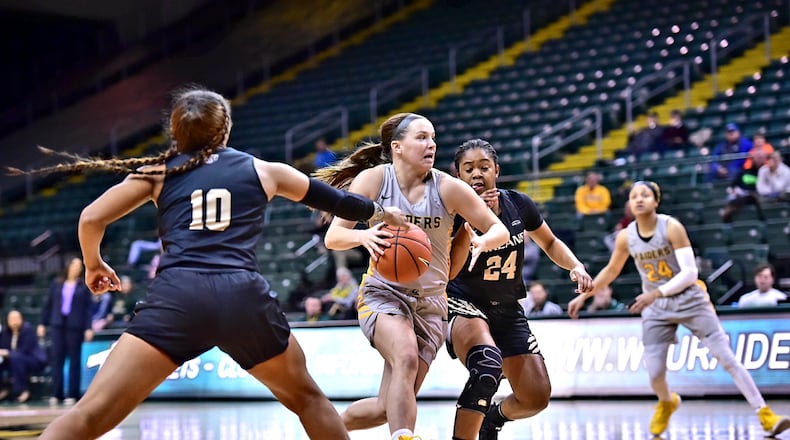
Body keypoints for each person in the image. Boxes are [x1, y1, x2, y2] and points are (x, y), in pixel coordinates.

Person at [10, 86, 407, 440]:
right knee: (309, 401)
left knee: (89, 415)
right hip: (241, 298)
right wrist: (381, 212)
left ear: (175, 133)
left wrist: (94, 265)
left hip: (178, 298)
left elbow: (90, 218)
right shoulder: (264, 170)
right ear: (225, 129)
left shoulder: (159, 172)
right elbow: (340, 202)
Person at [316, 113, 510, 440]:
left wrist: (482, 241)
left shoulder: (449, 188)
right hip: (383, 293)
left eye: (433, 138)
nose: (431, 144)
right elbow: (333, 237)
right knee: (405, 356)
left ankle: (323, 429)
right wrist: (364, 235)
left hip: (431, 304)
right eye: (421, 137)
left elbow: (498, 229)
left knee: (386, 406)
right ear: (398, 147)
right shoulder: (374, 181)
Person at [567, 180, 790, 437]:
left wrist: (655, 293)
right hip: (657, 306)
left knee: (727, 358)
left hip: (689, 299)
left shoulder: (671, 227)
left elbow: (690, 273)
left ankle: (765, 414)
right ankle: (667, 401)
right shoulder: (626, 236)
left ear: (656, 201)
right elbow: (611, 270)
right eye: (634, 196)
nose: (639, 199)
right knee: (655, 373)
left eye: (645, 195)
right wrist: (584, 296)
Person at [444, 139, 593, 440]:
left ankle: (493, 418)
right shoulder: (451, 213)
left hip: (508, 308)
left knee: (536, 396)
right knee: (487, 366)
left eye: (484, 167)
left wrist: (575, 265)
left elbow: (549, 241)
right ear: (458, 175)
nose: (476, 174)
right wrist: (469, 224)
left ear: (496, 171)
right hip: (464, 303)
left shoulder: (519, 203)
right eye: (468, 169)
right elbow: (446, 271)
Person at [38, 256, 94, 406]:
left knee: (75, 360)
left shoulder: (83, 286)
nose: (77, 268)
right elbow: (48, 305)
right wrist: (42, 323)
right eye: (74, 265)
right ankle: (56, 393)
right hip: (57, 324)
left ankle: (73, 394)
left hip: (75, 325)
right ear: (68, 266)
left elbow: (88, 309)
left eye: (79, 266)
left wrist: (88, 327)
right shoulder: (56, 284)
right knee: (57, 359)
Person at [0, 310, 48, 403]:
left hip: (33, 359)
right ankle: (4, 388)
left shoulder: (27, 330)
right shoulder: (6, 333)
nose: (14, 322)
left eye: (16, 319)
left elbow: (24, 350)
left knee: (16, 358)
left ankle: (23, 390)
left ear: (21, 319)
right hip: (13, 360)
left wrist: (7, 353)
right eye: (11, 319)